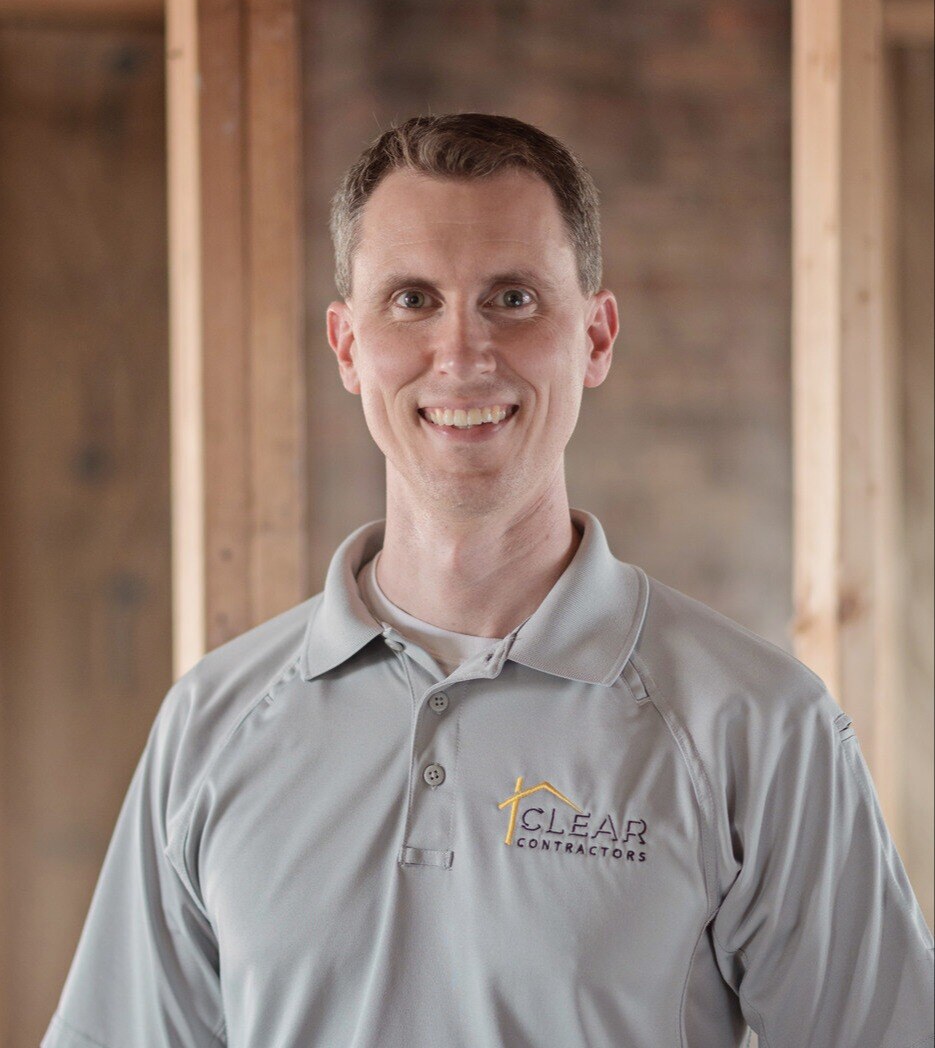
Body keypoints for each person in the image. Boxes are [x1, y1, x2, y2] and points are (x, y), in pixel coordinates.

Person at [44, 114, 933, 1048]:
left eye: (511, 298)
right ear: (348, 347)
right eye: (411, 300)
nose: (462, 355)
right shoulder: (212, 725)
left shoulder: (755, 725)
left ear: (594, 337)